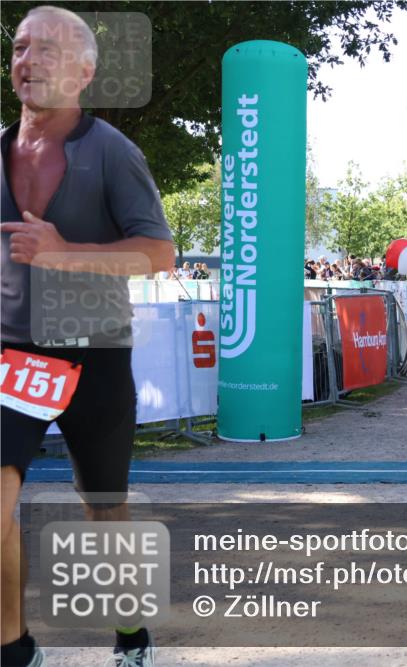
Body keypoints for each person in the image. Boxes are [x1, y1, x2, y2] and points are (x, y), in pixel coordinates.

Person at [1, 8, 176, 667]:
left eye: (48, 50)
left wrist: (63, 253)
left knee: (104, 511)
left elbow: (158, 253)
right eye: (21, 47)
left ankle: (131, 634)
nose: (29, 60)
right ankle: (15, 649)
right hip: (14, 356)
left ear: (83, 72)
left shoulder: (112, 151)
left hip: (95, 353)